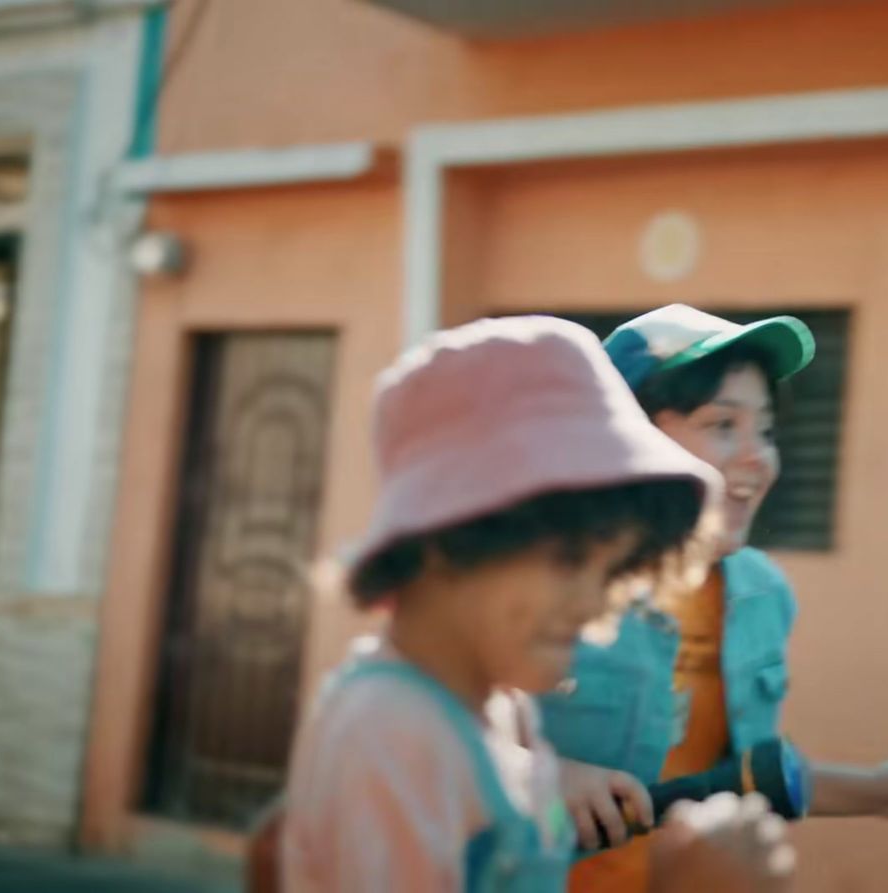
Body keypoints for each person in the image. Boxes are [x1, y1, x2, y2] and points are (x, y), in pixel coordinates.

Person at [278, 316, 795, 892]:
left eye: (614, 571)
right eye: (570, 561)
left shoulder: (501, 710)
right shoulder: (392, 732)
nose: (596, 607)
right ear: (456, 537)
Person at [553, 305, 888, 892]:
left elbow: (741, 781)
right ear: (630, 438)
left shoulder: (761, 595)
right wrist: (543, 774)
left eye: (767, 430)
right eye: (723, 425)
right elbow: (428, 735)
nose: (759, 456)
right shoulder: (543, 584)